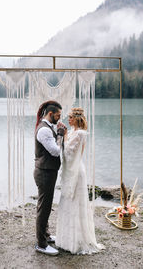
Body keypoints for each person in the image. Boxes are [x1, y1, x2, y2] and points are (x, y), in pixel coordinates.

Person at [56, 107, 105, 254]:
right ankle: (66, 239)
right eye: (68, 117)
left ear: (77, 119)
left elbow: (68, 153)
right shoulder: (73, 132)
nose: (68, 119)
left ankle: (76, 241)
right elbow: (62, 149)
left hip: (76, 172)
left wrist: (64, 136)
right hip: (73, 171)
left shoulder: (79, 134)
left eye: (70, 117)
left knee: (75, 204)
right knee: (68, 204)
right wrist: (62, 135)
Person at [34, 100, 66, 256]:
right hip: (44, 173)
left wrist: (60, 133)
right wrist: (60, 135)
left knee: (46, 206)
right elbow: (54, 151)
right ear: (51, 114)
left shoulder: (49, 127)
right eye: (58, 115)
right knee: (43, 208)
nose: (59, 119)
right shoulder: (44, 130)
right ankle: (41, 244)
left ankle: (46, 235)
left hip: (48, 171)